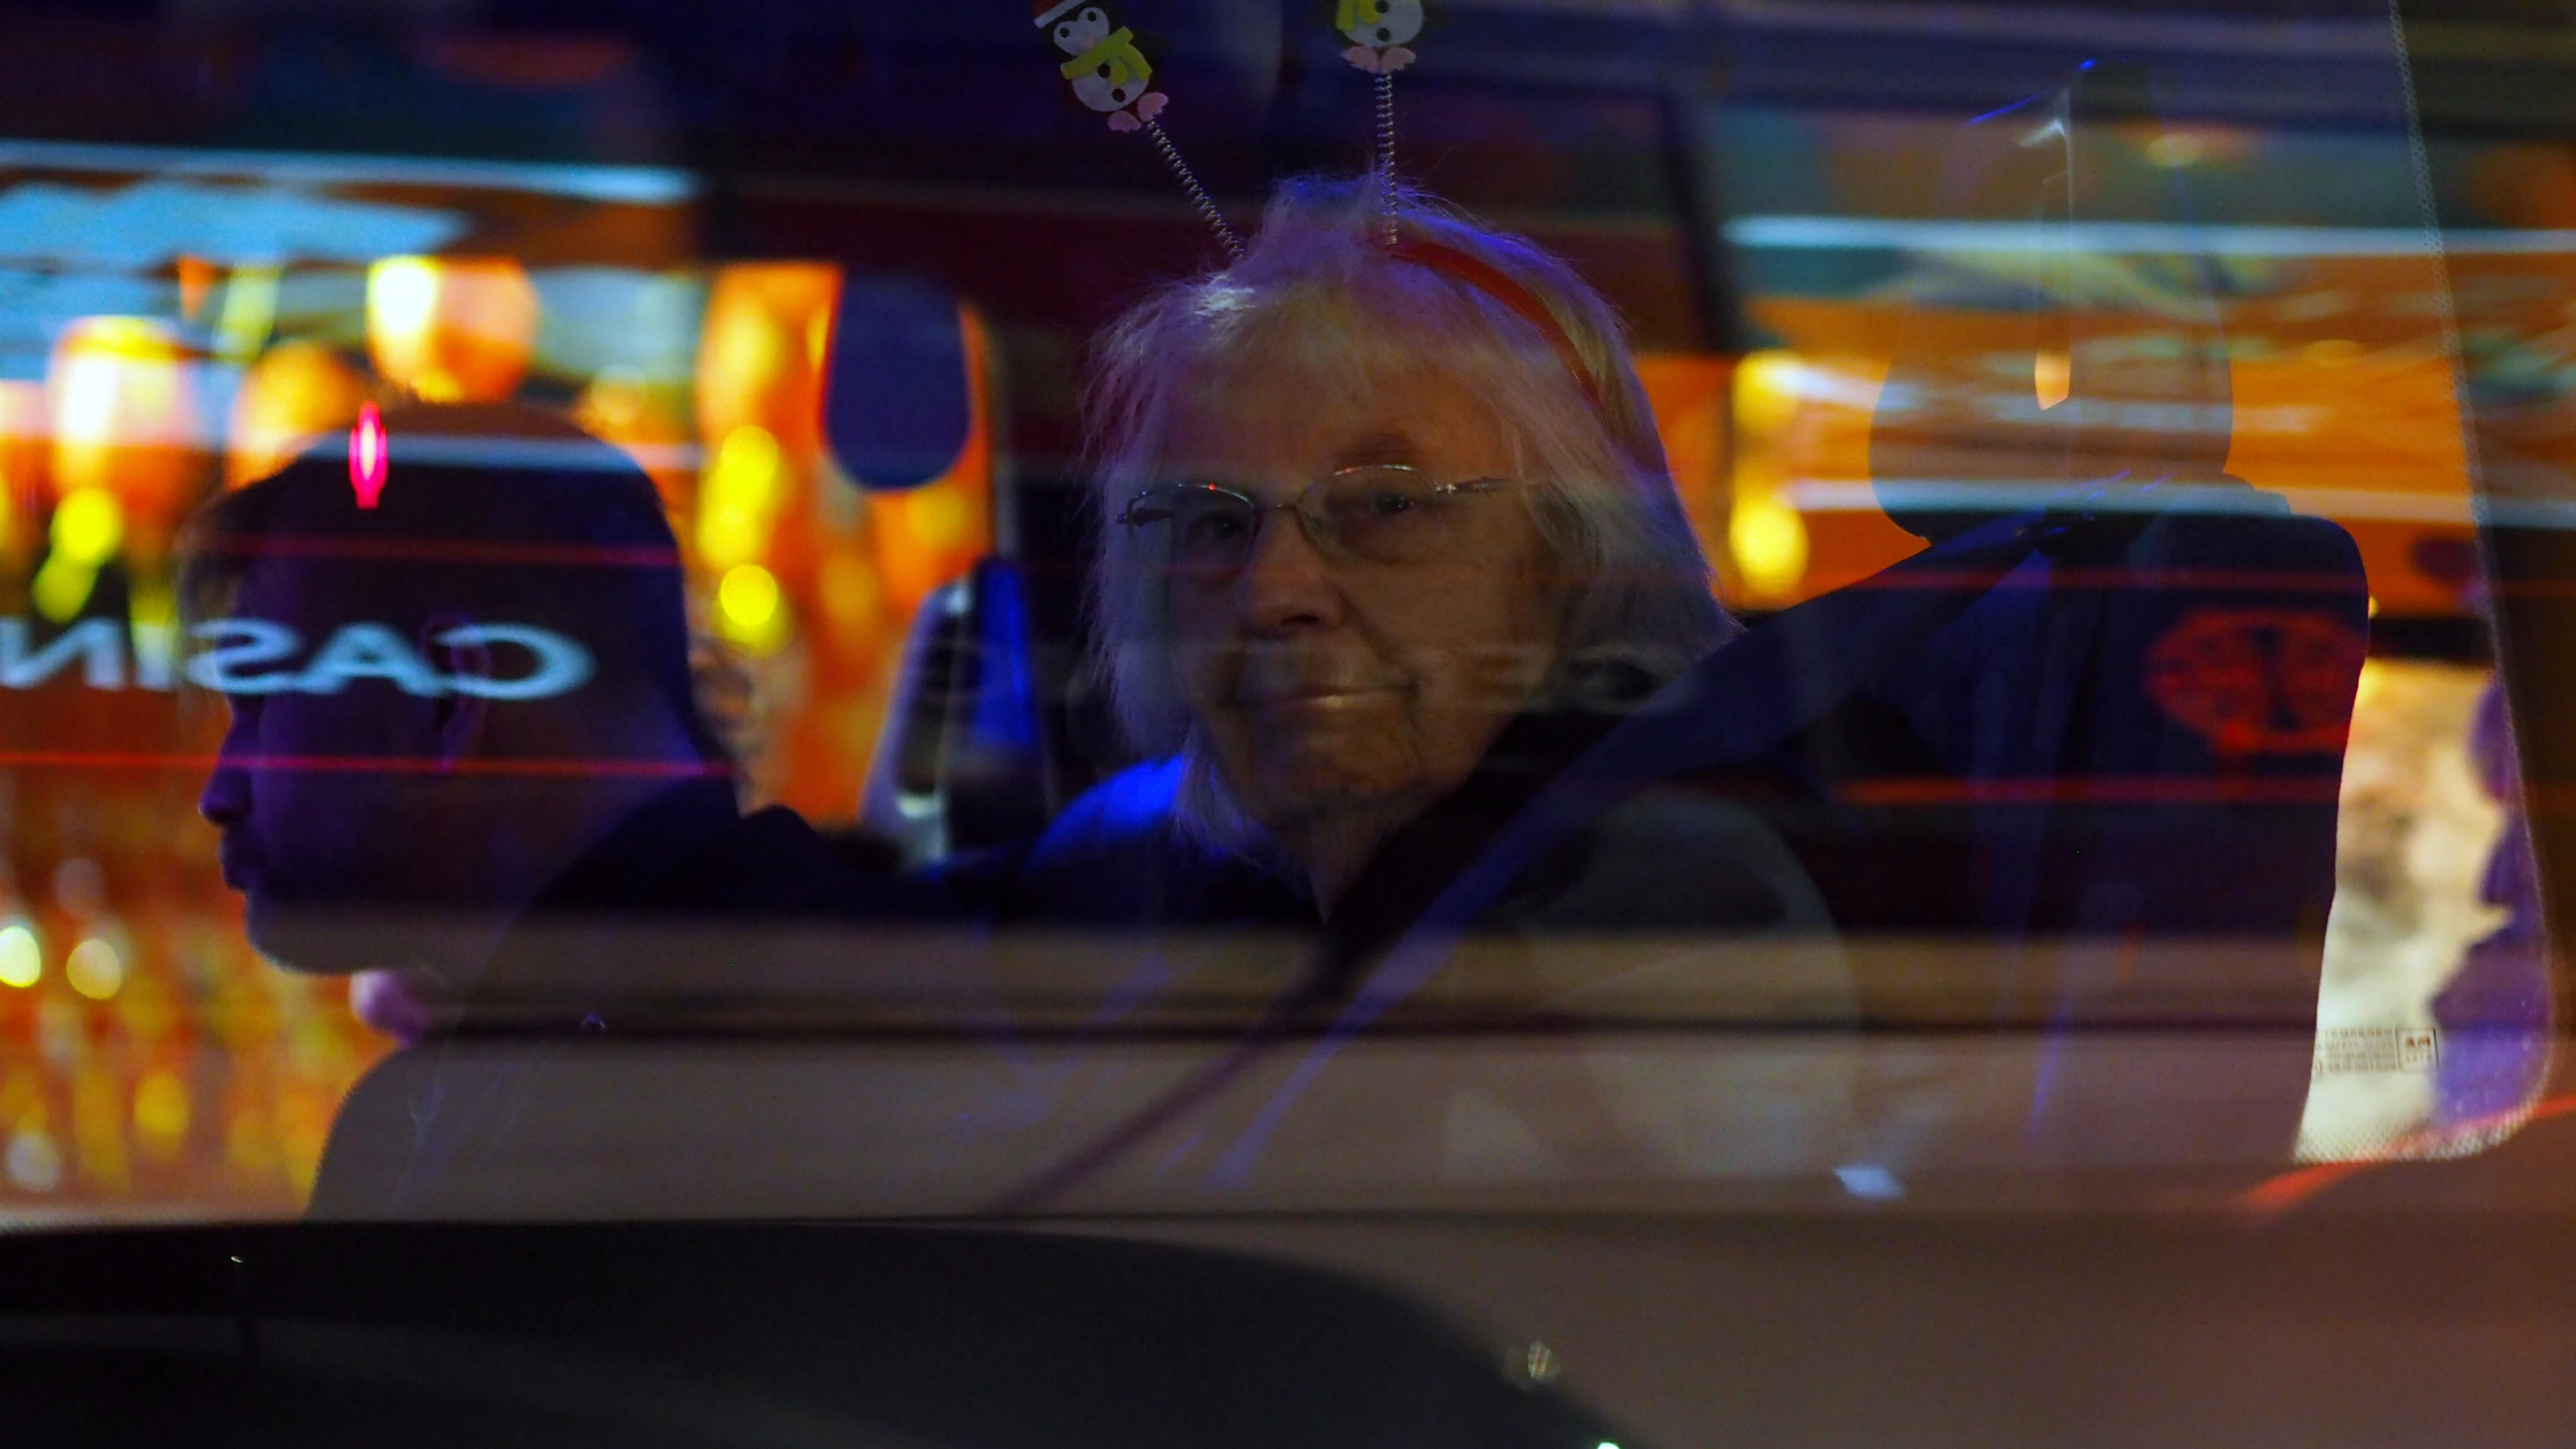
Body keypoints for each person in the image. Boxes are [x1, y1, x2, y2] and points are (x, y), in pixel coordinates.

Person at [184, 401, 963, 1213]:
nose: (220, 793)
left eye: (263, 702)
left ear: (449, 697)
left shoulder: (658, 1114)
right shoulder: (794, 1006)